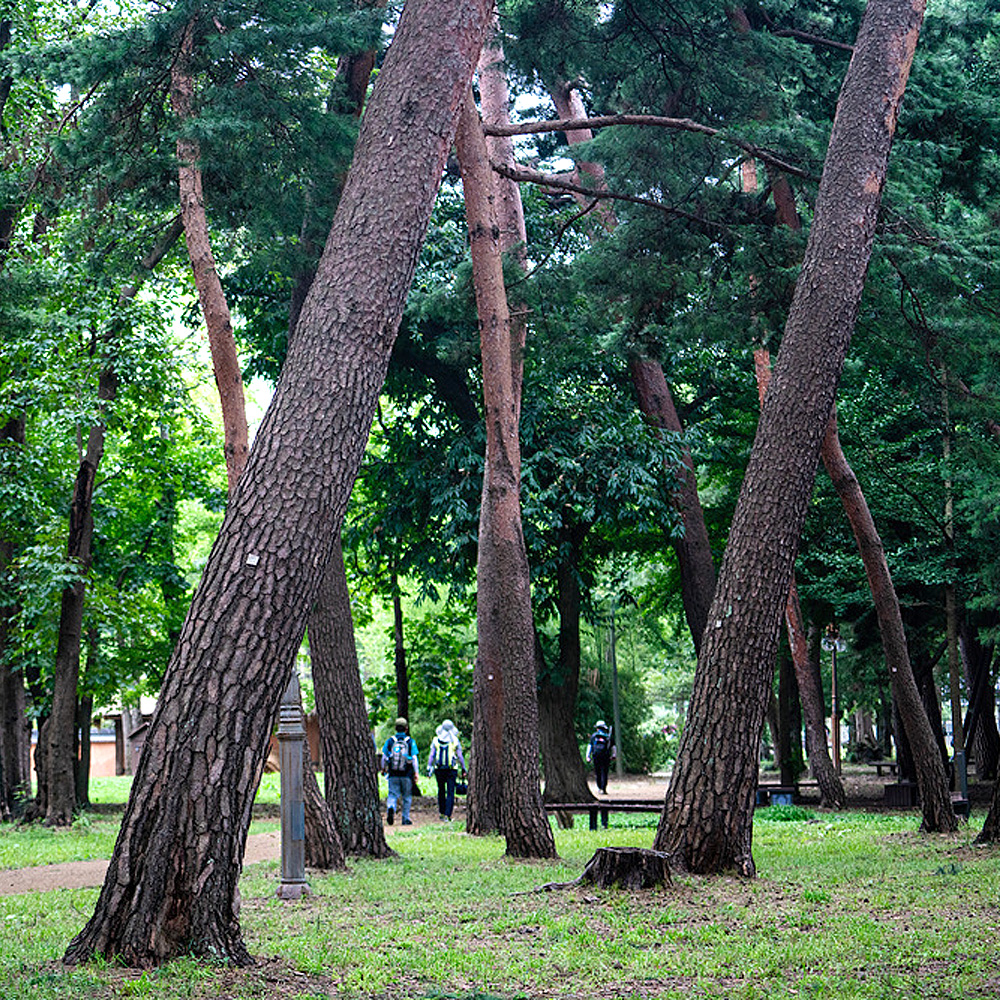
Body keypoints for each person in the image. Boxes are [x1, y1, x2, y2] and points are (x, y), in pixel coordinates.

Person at [380, 716, 419, 826]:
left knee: (392, 794)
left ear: (396, 728)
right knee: (407, 796)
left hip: (393, 774)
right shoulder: (410, 741)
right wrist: (416, 773)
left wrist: (383, 769)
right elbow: (414, 759)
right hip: (406, 774)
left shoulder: (390, 741)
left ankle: (391, 807)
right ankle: (405, 818)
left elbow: (384, 757)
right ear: (406, 728)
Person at [427, 719, 466, 821]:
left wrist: (429, 767)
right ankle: (448, 815)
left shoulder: (436, 740)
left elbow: (432, 755)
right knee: (450, 792)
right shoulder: (455, 741)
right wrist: (463, 768)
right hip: (451, 769)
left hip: (439, 769)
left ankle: (441, 812)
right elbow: (460, 756)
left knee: (441, 791)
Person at [586, 719, 615, 794]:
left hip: (596, 756)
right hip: (605, 756)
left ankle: (599, 788)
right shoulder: (608, 737)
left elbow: (590, 746)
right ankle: (603, 788)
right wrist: (614, 755)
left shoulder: (594, 736)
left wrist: (588, 756)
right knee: (604, 772)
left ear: (597, 728)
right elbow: (613, 747)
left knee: (598, 772)